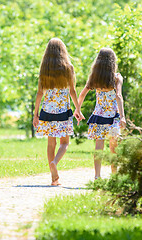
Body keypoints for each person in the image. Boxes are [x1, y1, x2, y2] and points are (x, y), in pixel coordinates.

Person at [33, 38, 83, 186]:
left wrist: (36, 114)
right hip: (63, 112)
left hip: (47, 112)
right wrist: (77, 109)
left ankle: (54, 178)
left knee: (51, 144)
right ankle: (55, 162)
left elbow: (39, 93)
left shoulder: (44, 69)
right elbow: (73, 91)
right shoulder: (69, 68)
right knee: (65, 143)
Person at [78, 47, 126, 179]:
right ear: (113, 62)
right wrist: (122, 117)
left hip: (98, 116)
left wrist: (78, 109)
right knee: (114, 148)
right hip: (113, 117)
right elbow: (119, 96)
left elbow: (82, 95)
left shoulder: (94, 78)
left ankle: (97, 176)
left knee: (98, 147)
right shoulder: (116, 78)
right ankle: (114, 175)